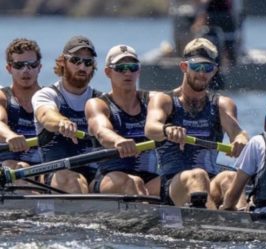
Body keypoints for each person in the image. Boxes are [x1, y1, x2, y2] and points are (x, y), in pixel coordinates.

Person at [144, 37, 248, 208]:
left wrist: (242, 140)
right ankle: (212, 220)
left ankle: (244, 221)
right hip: (174, 185)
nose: (202, 73)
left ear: (214, 71)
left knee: (230, 176)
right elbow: (150, 128)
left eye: (207, 68)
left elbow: (238, 133)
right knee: (198, 175)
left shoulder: (222, 104)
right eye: (196, 66)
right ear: (184, 67)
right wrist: (167, 129)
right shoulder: (164, 100)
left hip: (210, 181)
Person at [85, 44, 160, 195]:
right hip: (110, 177)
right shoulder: (98, 104)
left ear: (139, 71)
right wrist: (117, 141)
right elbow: (102, 131)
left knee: (189, 178)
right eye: (121, 68)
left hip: (151, 179)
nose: (128, 73)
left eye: (132, 67)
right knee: (134, 182)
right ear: (108, 72)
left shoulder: (153, 100)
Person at [32, 35, 102, 193]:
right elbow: (46, 115)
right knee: (74, 182)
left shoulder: (101, 100)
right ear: (63, 62)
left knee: (128, 182)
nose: (82, 67)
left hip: (95, 175)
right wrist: (62, 122)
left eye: (88, 62)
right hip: (55, 174)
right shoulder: (47, 95)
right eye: (76, 61)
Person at [0, 38, 42, 175]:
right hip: (12, 167)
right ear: (9, 68)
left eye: (32, 64)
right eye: (19, 65)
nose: (26, 70)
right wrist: (10, 135)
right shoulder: (3, 97)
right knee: (20, 168)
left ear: (39, 67)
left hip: (46, 167)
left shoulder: (51, 98)